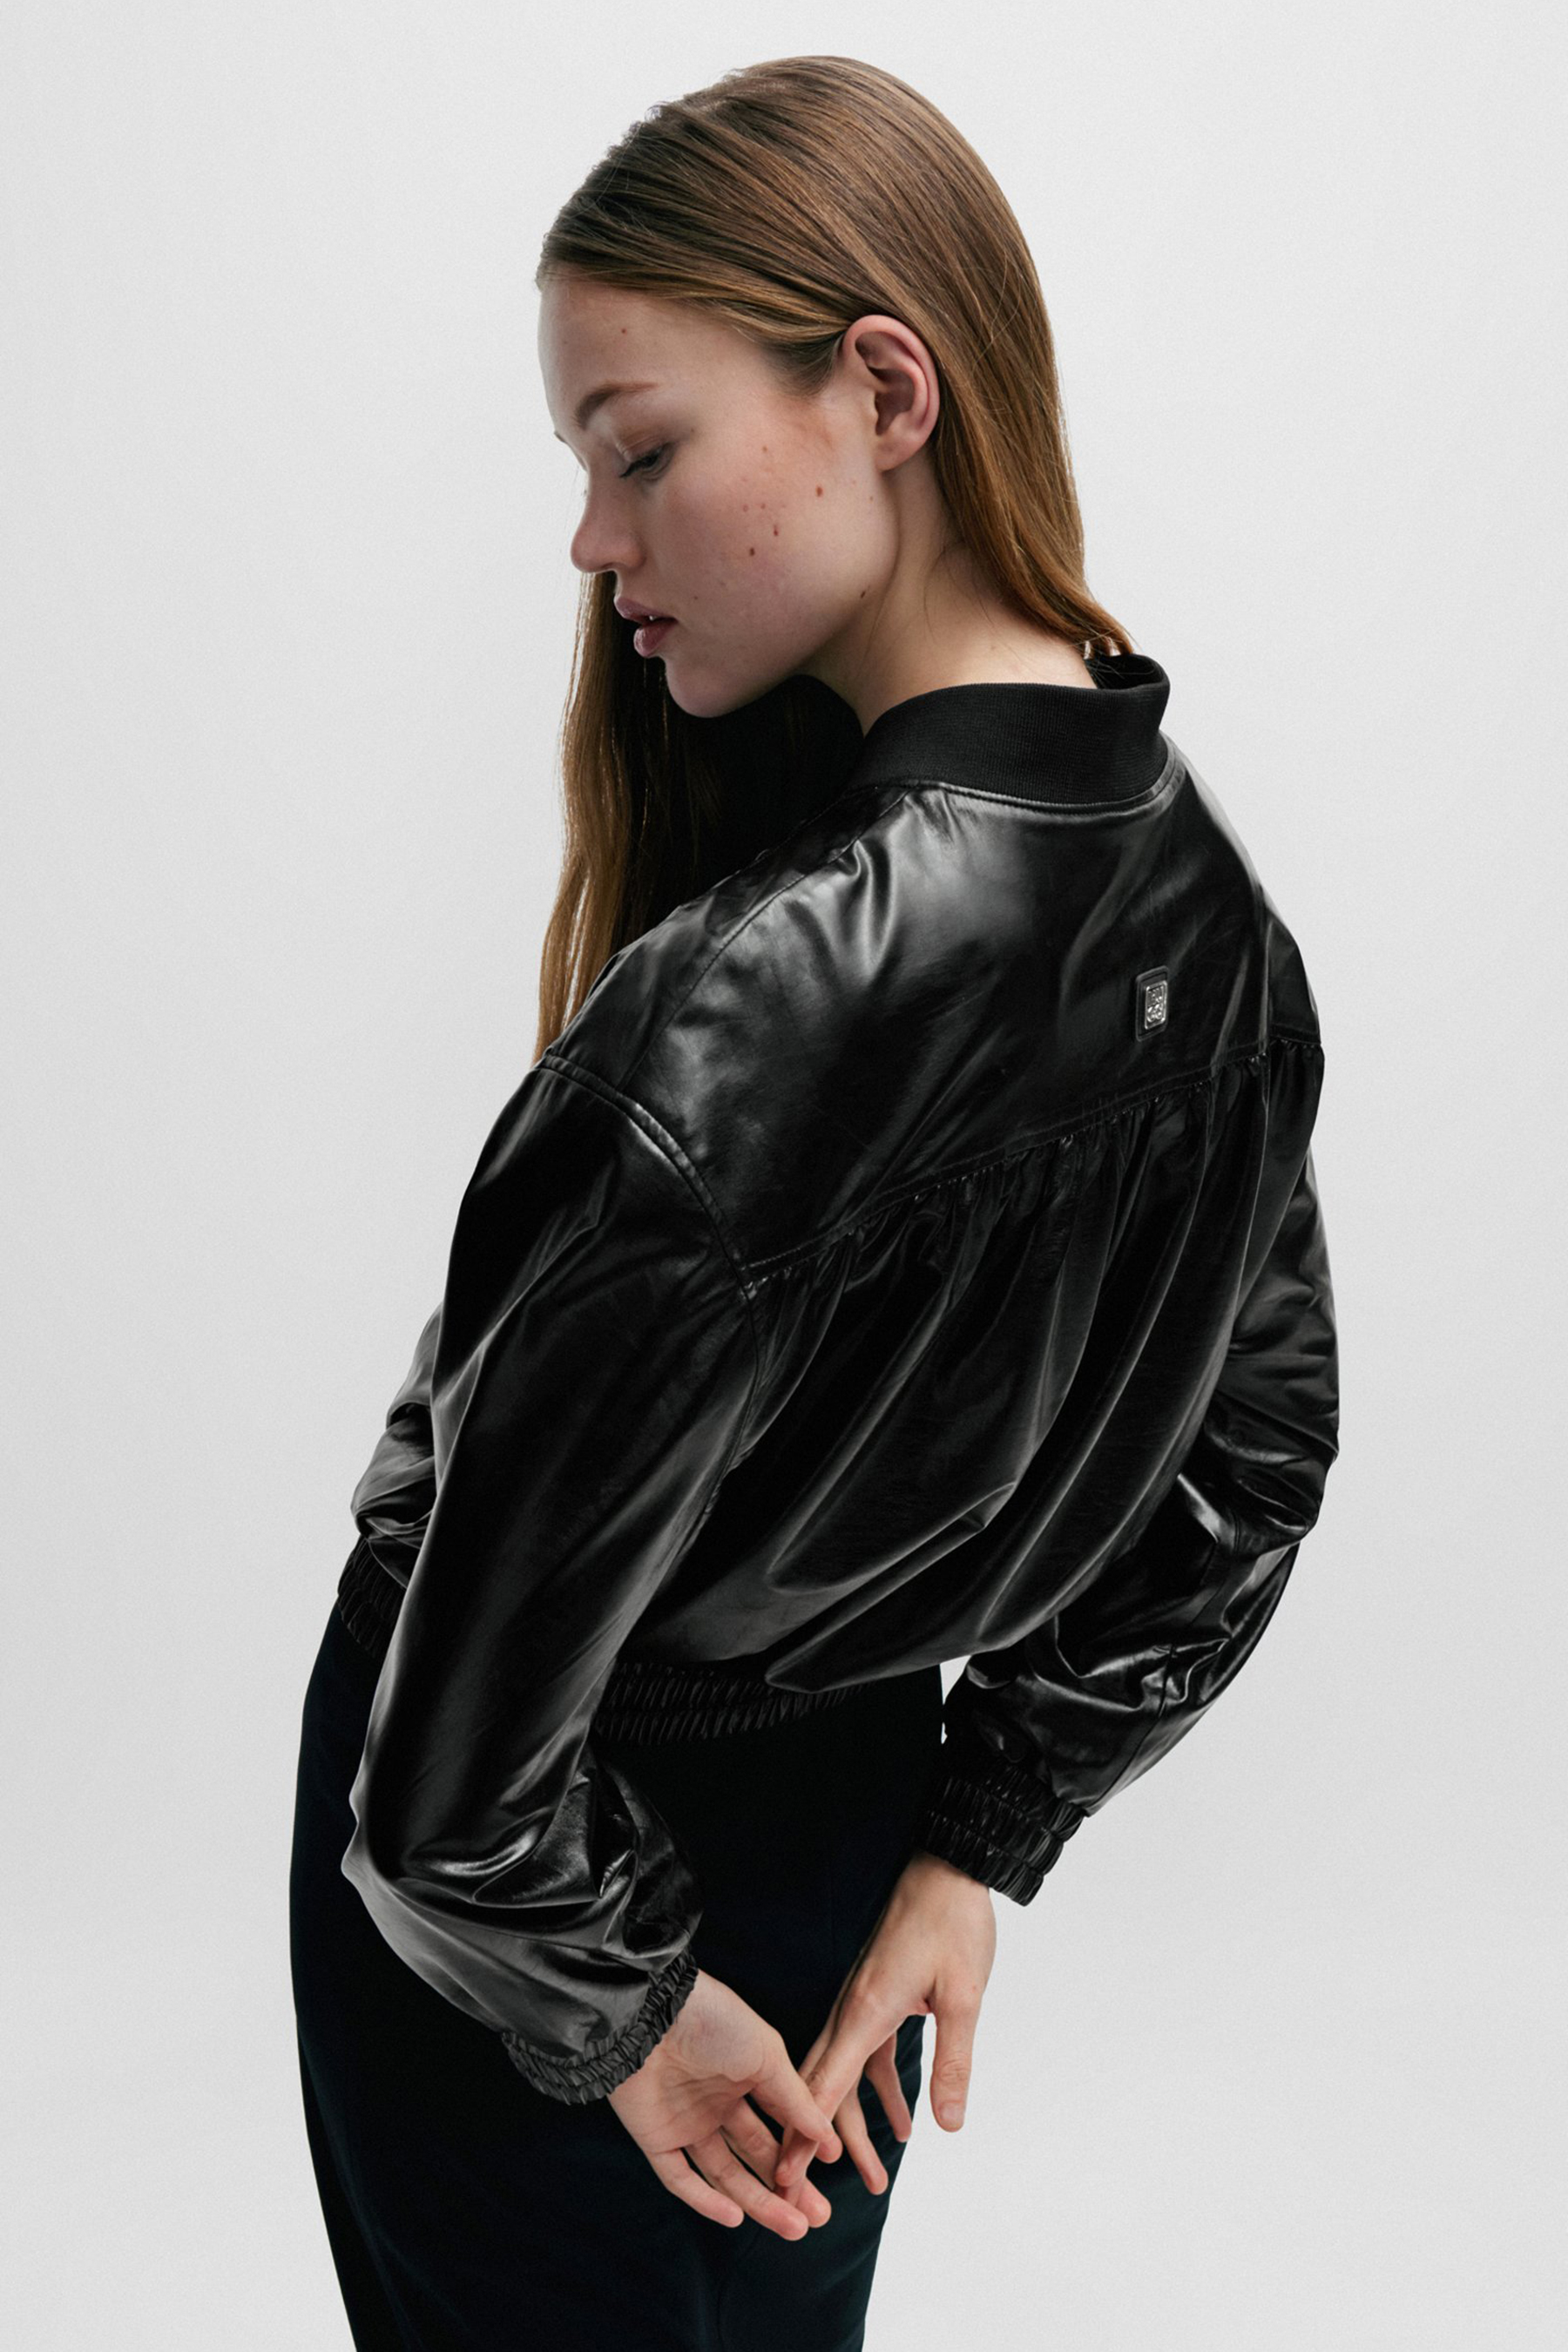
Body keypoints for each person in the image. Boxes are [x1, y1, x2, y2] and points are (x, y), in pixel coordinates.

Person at [288, 51, 1341, 2352]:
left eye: (639, 449)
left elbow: (444, 1799)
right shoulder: (1222, 924)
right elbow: (1255, 1472)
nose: (594, 543)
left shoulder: (733, 1016)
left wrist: (624, 2000)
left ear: (884, 389)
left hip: (527, 1862)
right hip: (837, 1822)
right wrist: (973, 1838)